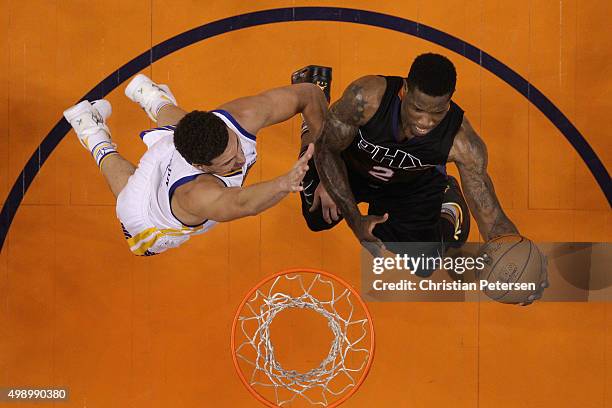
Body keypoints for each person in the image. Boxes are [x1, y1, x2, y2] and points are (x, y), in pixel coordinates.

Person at [63, 74, 326, 255]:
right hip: (150, 218)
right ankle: (91, 131)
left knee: (180, 128)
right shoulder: (197, 194)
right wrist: (283, 183)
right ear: (202, 166)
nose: (242, 160)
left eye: (235, 147)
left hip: (178, 143)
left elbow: (310, 94)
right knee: (130, 197)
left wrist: (321, 157)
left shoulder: (241, 117)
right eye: (228, 163)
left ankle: (151, 96)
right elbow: (243, 203)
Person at [299, 54, 516, 271]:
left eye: (437, 112)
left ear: (449, 100)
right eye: (418, 109)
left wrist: (517, 263)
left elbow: (492, 217)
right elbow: (328, 148)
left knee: (425, 264)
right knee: (316, 216)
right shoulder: (366, 99)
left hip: (409, 186)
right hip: (353, 167)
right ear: (404, 91)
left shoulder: (461, 142)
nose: (425, 122)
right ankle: (315, 95)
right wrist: (353, 217)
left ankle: (449, 202)